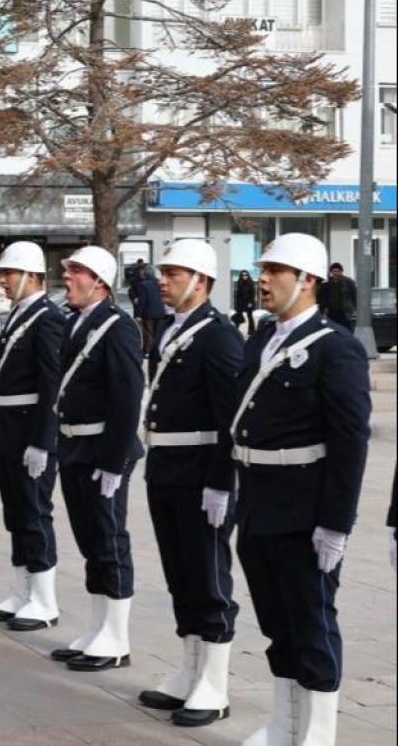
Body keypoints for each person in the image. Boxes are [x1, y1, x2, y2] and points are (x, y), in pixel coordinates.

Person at [233, 234, 369, 745]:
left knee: (312, 622)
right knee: (277, 624)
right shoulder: (261, 340)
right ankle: (284, 724)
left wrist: (336, 523)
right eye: (263, 267)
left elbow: (350, 441)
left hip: (304, 509)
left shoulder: (336, 349)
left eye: (276, 270)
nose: (263, 278)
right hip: (259, 501)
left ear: (307, 281)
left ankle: (317, 733)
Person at [135, 239, 242, 728]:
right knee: (181, 575)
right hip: (168, 468)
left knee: (208, 577)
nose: (164, 280)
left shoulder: (217, 336)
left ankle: (214, 683)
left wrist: (221, 482)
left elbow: (229, 418)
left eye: (174, 273)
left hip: (201, 472)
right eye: (164, 271)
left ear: (201, 282)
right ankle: (190, 669)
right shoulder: (175, 329)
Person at [52, 245, 144, 672]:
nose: (68, 279)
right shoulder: (77, 323)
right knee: (90, 541)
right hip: (74, 446)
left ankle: (118, 636)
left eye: (77, 273)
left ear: (101, 284)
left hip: (102, 450)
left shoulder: (118, 327)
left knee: (109, 541)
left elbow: (127, 399)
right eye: (68, 271)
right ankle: (97, 625)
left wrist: (114, 462)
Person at [0, 242, 65, 631]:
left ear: (31, 276)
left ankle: (44, 598)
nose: (1, 280)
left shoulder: (47, 318)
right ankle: (23, 588)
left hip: (29, 427)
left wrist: (43, 441)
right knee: (16, 512)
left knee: (34, 512)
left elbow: (52, 384)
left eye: (8, 274)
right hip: (7, 426)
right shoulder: (19, 315)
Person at [132, 264, 168, 357]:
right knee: (158, 333)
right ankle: (157, 351)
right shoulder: (159, 282)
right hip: (160, 311)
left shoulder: (143, 284)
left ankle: (147, 352)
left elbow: (142, 301)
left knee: (148, 333)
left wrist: (137, 314)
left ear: (145, 273)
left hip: (148, 313)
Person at [317, 261, 357, 331]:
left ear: (341, 272)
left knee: (345, 330)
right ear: (331, 272)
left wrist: (354, 310)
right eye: (334, 271)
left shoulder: (349, 282)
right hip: (332, 313)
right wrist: (322, 312)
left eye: (337, 271)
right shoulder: (327, 284)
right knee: (333, 330)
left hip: (345, 312)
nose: (335, 273)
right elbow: (322, 299)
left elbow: (355, 296)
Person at [234, 270, 257, 334]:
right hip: (241, 303)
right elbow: (237, 295)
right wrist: (236, 305)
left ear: (248, 275)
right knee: (238, 316)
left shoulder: (250, 283)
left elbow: (253, 294)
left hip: (248, 302)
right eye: (243, 275)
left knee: (250, 316)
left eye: (246, 275)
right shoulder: (239, 283)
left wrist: (250, 303)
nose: (244, 276)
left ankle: (251, 330)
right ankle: (235, 330)